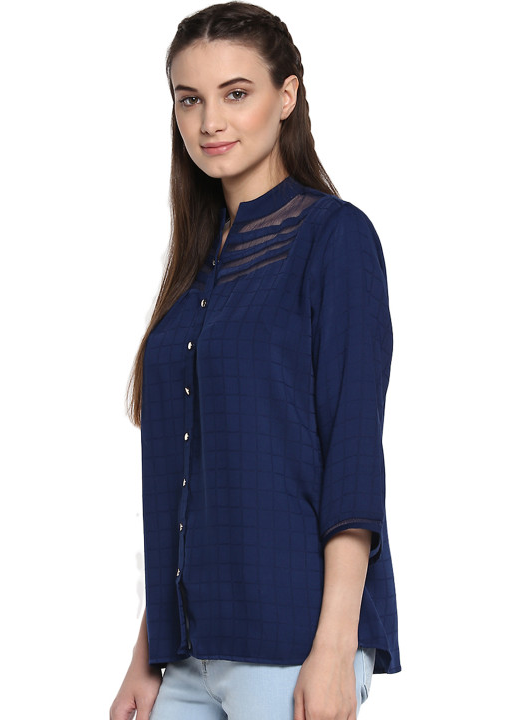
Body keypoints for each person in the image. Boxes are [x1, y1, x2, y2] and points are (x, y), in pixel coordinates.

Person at [110, 2, 401, 719]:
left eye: (235, 93)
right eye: (189, 99)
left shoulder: (334, 239)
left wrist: (334, 647)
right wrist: (148, 651)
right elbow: (188, 481)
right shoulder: (195, 270)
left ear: (287, 96)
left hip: (292, 639)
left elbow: (352, 458)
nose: (210, 121)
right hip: (186, 652)